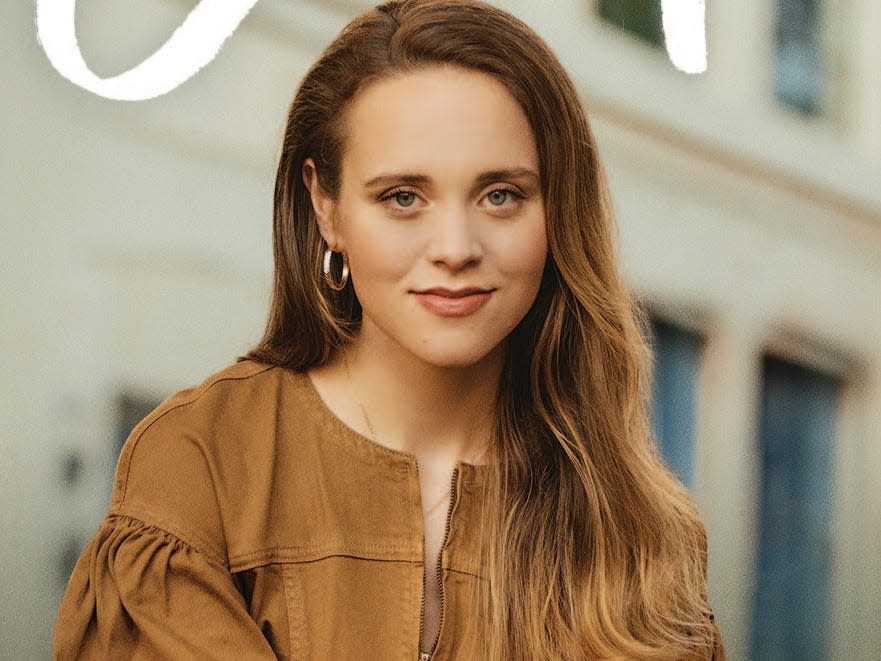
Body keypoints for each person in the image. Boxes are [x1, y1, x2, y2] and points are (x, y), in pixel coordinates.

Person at [53, 0, 726, 659]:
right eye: (402, 196)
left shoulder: (640, 528)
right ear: (326, 207)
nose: (455, 247)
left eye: (501, 195)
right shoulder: (201, 464)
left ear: (557, 212)